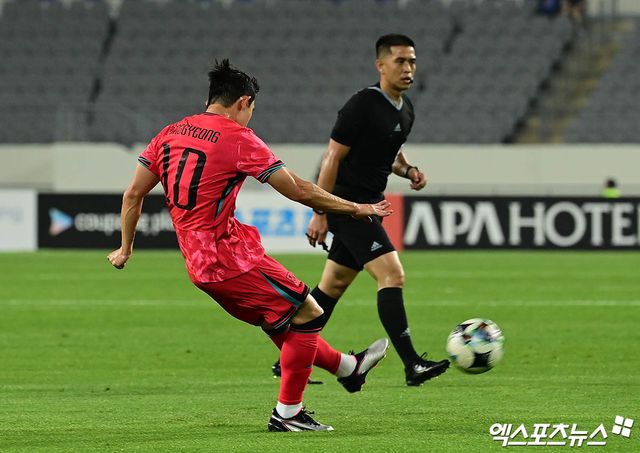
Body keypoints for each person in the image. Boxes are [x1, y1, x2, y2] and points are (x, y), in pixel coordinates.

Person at [107, 59, 392, 432]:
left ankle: (348, 368)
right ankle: (288, 414)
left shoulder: (170, 133)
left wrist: (125, 248)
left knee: (282, 323)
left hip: (201, 261)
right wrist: (354, 207)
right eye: (252, 109)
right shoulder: (237, 137)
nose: (250, 116)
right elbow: (298, 189)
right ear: (243, 102)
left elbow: (133, 194)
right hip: (228, 259)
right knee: (309, 313)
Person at [272, 34, 450, 386]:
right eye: (400, 61)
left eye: (412, 61)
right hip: (348, 204)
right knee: (392, 275)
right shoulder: (362, 105)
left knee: (332, 286)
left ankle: (287, 361)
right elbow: (332, 157)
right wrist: (321, 212)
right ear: (380, 65)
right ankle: (412, 364)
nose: (408, 68)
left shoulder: (406, 109)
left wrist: (409, 171)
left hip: (368, 203)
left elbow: (391, 155)